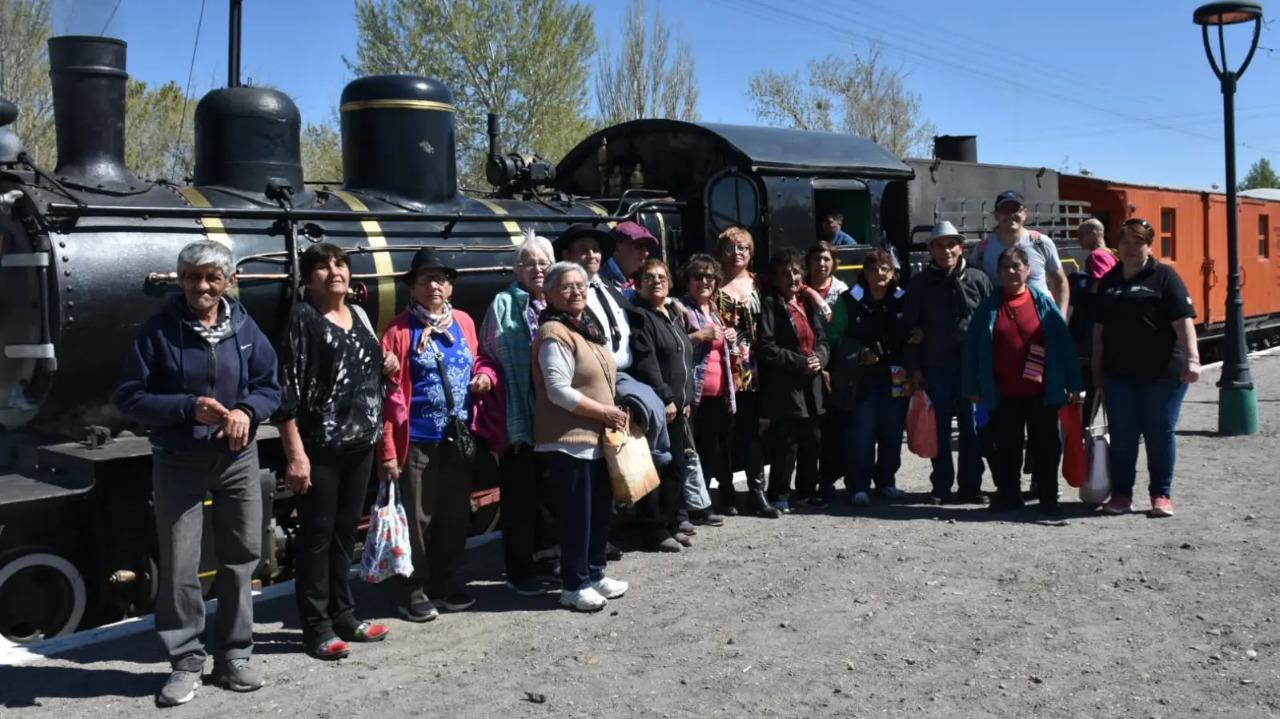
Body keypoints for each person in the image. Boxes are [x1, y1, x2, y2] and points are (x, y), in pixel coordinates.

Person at [115, 240, 280, 707]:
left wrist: (247, 410)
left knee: (241, 557)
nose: (202, 286)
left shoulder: (245, 327)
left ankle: (234, 655)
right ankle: (186, 660)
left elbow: (271, 386)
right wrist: (187, 408)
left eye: (212, 277)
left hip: (237, 459)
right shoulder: (158, 331)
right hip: (179, 460)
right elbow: (129, 396)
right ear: (181, 280)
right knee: (180, 562)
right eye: (192, 277)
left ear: (229, 281)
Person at [275, 243, 395, 660]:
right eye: (323, 267)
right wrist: (296, 455)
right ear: (309, 279)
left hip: (361, 444)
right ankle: (316, 627)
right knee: (317, 537)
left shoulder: (358, 314)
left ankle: (344, 614)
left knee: (345, 534)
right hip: (321, 447)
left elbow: (366, 368)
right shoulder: (303, 318)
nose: (334, 272)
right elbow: (287, 391)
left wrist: (387, 363)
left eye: (339, 264)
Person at [378, 248, 497, 621]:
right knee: (418, 518)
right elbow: (387, 395)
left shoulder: (463, 322)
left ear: (451, 287)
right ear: (412, 286)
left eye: (442, 279)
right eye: (426, 279)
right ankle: (411, 590)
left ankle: (444, 584)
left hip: (457, 437)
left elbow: (480, 359)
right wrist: (388, 451)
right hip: (416, 439)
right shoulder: (398, 331)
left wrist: (485, 377)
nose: (434, 285)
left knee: (454, 515)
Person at [532, 261, 630, 611]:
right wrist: (603, 411)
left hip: (597, 438)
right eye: (566, 286)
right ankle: (574, 585)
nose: (576, 291)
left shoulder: (587, 329)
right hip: (568, 439)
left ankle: (595, 573)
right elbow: (558, 390)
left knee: (599, 511)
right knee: (577, 515)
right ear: (549, 294)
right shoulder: (553, 332)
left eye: (581, 285)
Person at [962, 246, 1084, 514]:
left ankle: (1048, 497)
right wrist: (971, 386)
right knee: (1007, 447)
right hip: (1002, 392)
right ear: (998, 272)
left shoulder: (1044, 303)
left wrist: (1075, 384)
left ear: (1028, 270)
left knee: (1047, 446)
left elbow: (1064, 345)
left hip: (1043, 391)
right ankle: (1009, 495)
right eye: (1005, 267)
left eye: (1017, 266)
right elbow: (971, 348)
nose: (1011, 271)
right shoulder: (988, 307)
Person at [1092, 218, 1199, 517]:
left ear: (1149, 246)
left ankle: (1160, 494)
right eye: (1125, 242)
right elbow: (1099, 331)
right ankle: (1121, 495)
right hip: (1118, 374)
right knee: (1122, 436)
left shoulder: (1165, 277)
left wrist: (1193, 359)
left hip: (1163, 375)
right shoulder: (1110, 280)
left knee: (1159, 434)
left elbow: (1183, 322)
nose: (1130, 248)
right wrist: (1096, 370)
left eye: (1137, 242)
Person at [478, 232, 559, 595]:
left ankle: (550, 557)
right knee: (520, 497)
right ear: (517, 269)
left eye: (543, 262)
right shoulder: (503, 304)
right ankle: (520, 570)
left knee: (551, 493)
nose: (537, 268)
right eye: (528, 263)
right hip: (518, 417)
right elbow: (489, 353)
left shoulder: (559, 301)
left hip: (556, 414)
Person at [902, 221, 994, 504]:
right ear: (931, 250)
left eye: (952, 244)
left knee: (971, 427)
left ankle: (971, 485)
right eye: (940, 246)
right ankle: (941, 485)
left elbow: (991, 324)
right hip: (936, 364)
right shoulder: (920, 284)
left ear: (961, 247)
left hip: (971, 368)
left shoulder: (978, 279)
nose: (946, 251)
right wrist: (915, 368)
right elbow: (910, 329)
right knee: (939, 426)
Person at [627, 258, 699, 551]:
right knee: (656, 470)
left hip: (680, 406)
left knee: (676, 469)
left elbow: (684, 358)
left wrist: (686, 398)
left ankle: (669, 524)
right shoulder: (641, 316)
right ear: (638, 285)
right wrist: (667, 398)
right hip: (659, 407)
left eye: (661, 277)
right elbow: (647, 363)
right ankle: (653, 531)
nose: (656, 281)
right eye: (649, 277)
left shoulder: (671, 313)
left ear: (669, 283)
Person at [827, 249, 909, 506]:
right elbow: (833, 338)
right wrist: (860, 354)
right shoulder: (848, 301)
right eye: (873, 268)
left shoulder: (903, 300)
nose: (879, 274)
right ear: (864, 272)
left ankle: (886, 482)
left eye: (885, 269)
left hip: (897, 377)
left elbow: (915, 330)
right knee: (861, 434)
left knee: (892, 432)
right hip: (861, 380)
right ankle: (858, 486)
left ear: (893, 273)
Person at [758, 247, 830, 509]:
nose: (792, 278)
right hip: (787, 385)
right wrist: (801, 363)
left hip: (812, 384)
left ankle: (806, 492)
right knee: (787, 443)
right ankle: (779, 494)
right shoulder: (771, 304)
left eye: (796, 272)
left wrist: (819, 359)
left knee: (812, 439)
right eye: (785, 274)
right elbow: (767, 346)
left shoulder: (807, 303)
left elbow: (822, 340)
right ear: (776, 279)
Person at [716, 227, 779, 518]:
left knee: (752, 431)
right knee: (724, 431)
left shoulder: (761, 283)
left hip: (756, 367)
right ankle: (726, 493)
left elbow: (794, 288)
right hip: (723, 367)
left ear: (751, 253)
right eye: (730, 247)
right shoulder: (712, 283)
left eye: (742, 247)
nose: (736, 253)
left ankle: (757, 493)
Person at [973, 191, 1070, 313]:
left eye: (1015, 209)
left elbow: (1060, 281)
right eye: (1004, 210)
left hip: (1041, 317)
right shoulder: (983, 249)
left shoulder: (1041, 243)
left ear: (1025, 214)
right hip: (1002, 318)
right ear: (996, 216)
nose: (1010, 215)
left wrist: (1061, 316)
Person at [806, 241, 850, 494]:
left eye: (826, 259)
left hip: (834, 364)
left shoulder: (841, 292)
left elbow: (839, 328)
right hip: (806, 361)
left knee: (833, 423)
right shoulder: (800, 288)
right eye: (816, 259)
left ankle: (829, 476)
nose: (821, 264)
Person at [1067, 220, 1117, 428]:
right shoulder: (1111, 254)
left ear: (1096, 233)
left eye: (1082, 234)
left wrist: (1083, 289)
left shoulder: (1097, 256)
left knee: (1090, 381)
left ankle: (1083, 427)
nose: (1078, 238)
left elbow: (1104, 284)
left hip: (1093, 328)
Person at [598, 220, 659, 293]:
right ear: (616, 247)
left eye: (648, 247)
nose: (646, 253)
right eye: (639, 246)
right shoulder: (597, 277)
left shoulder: (643, 278)